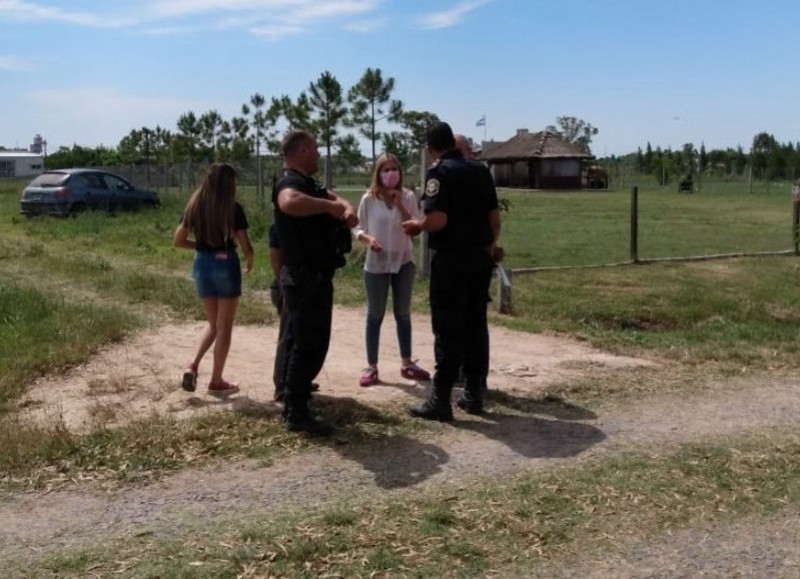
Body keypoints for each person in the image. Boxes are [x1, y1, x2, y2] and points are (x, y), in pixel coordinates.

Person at [402, 122, 501, 420]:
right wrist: (489, 245)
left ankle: (440, 400)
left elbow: (438, 220)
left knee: (447, 328)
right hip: (480, 260)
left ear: (431, 148)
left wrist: (417, 225)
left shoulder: (439, 172)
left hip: (451, 262)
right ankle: (473, 394)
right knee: (475, 326)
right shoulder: (481, 171)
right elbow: (494, 219)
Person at [273, 130, 358, 435]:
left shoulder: (311, 185)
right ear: (303, 151)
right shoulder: (289, 184)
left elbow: (336, 198)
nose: (319, 154)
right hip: (304, 276)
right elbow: (289, 203)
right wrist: (328, 208)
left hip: (315, 276)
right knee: (307, 344)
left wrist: (343, 207)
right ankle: (296, 410)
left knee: (308, 341)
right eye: (316, 149)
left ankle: (296, 402)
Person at [173, 162, 254, 398]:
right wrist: (249, 260)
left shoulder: (194, 205)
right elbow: (246, 244)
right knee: (224, 325)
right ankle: (216, 381)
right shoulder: (232, 208)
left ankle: (193, 365)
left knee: (213, 323)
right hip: (225, 263)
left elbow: (177, 240)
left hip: (201, 264)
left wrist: (199, 246)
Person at [352, 153, 431, 387]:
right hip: (376, 265)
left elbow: (413, 227)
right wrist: (367, 239)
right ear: (378, 174)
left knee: (403, 314)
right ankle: (372, 367)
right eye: (385, 170)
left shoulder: (407, 196)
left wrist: (399, 204)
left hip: (403, 262)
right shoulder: (369, 199)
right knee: (374, 315)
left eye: (394, 169)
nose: (390, 174)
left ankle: (407, 363)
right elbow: (357, 227)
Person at [268, 222, 320, 402]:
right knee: (287, 337)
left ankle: (298, 380)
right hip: (286, 287)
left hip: (302, 285)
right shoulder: (280, 226)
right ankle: (281, 385)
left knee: (302, 337)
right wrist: (285, 291)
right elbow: (275, 258)